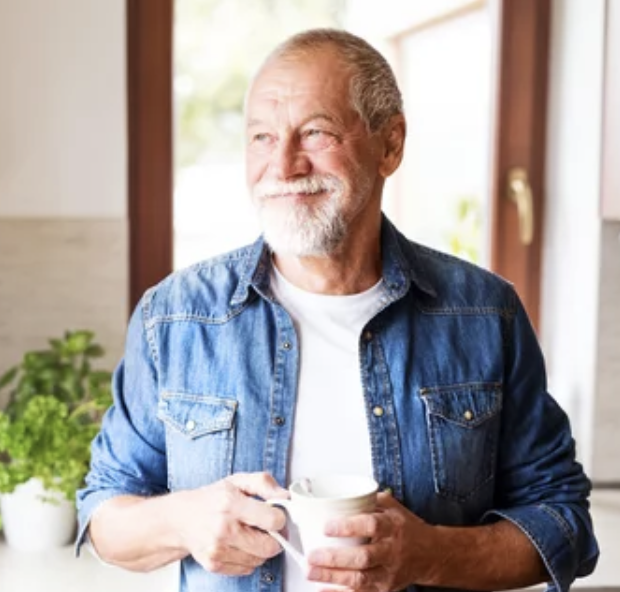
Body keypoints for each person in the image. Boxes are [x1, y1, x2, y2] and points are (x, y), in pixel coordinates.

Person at [76, 28, 599, 592]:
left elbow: (563, 523)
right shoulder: (174, 317)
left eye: (316, 133)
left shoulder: (483, 314)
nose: (283, 165)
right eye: (261, 137)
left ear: (390, 145)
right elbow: (105, 514)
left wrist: (429, 554)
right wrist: (181, 520)